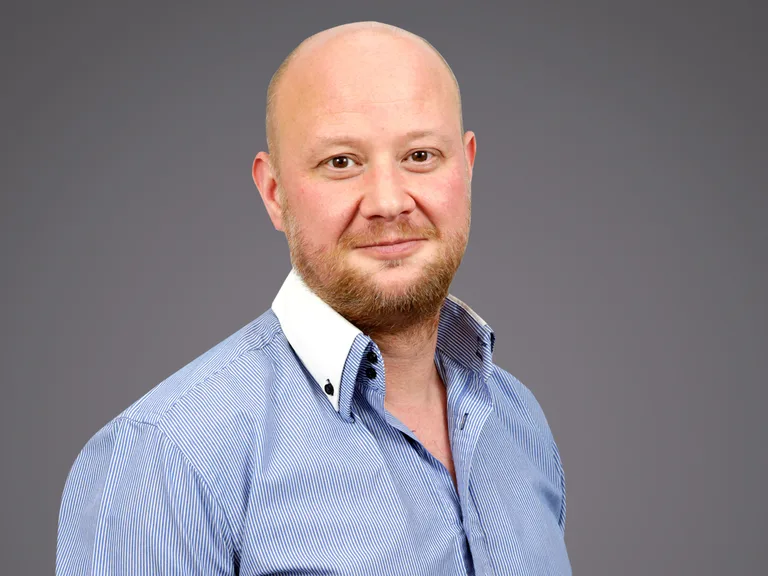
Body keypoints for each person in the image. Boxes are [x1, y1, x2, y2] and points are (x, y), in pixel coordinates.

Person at [56, 21, 571, 575]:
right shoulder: (167, 458)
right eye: (341, 162)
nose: (388, 201)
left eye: (420, 155)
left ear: (466, 168)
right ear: (273, 193)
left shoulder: (517, 419)